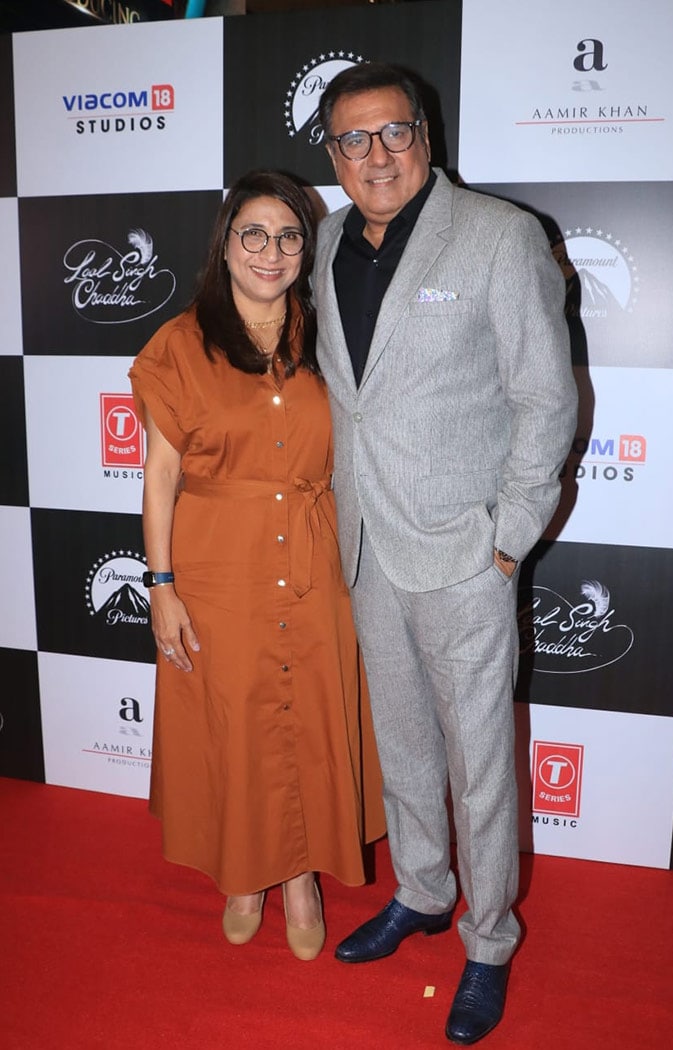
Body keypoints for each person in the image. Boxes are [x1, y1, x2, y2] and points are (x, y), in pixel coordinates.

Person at [314, 64, 578, 1042]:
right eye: (353, 140)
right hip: (366, 541)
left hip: (463, 549)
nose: (375, 156)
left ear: (426, 134)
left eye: (393, 132)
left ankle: (489, 938)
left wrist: (506, 540)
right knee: (404, 745)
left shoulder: (501, 236)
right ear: (332, 156)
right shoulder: (327, 241)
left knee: (479, 766)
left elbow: (545, 400)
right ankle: (422, 892)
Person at [129, 170, 384, 963]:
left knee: (308, 715)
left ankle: (301, 875)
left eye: (289, 236)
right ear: (226, 244)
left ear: (306, 250)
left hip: (316, 559)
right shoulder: (179, 343)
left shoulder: (330, 335)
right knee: (235, 722)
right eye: (254, 235)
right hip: (217, 566)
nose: (271, 252)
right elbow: (160, 476)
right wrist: (161, 585)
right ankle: (245, 877)